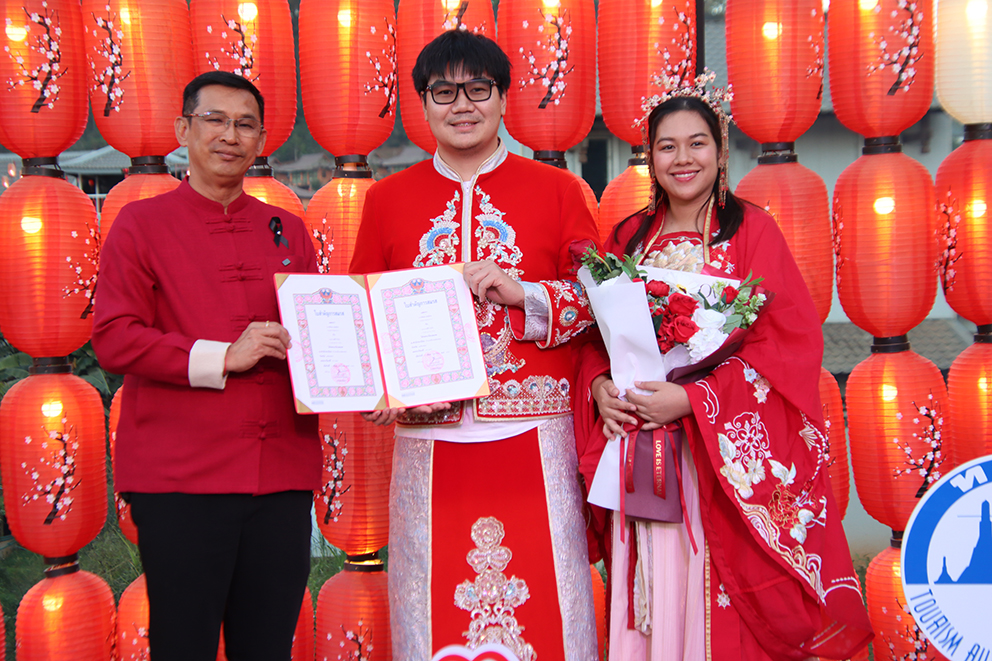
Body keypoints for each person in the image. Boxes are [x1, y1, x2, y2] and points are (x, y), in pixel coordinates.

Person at [573, 76, 874, 660]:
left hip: (716, 455)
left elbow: (787, 346)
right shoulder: (627, 238)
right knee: (652, 590)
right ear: (650, 155)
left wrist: (692, 400)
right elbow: (593, 337)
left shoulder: (754, 233)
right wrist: (601, 387)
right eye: (667, 146)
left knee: (712, 597)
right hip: (640, 449)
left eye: (697, 143)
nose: (682, 159)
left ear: (721, 150)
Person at [350, 30, 599, 661]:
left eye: (478, 89)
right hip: (428, 442)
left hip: (535, 440)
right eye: (444, 92)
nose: (462, 105)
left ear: (504, 98)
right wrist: (376, 385)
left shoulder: (559, 191)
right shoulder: (385, 201)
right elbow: (361, 316)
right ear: (423, 104)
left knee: (548, 615)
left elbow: (599, 305)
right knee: (432, 613)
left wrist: (524, 294)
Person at [92, 71, 319, 661]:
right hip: (181, 478)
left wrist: (372, 381)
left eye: (246, 125)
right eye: (214, 120)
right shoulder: (139, 225)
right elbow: (114, 338)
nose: (230, 136)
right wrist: (223, 355)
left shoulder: (289, 230)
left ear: (261, 139)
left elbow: (318, 336)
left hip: (282, 475)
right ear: (182, 129)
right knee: (183, 644)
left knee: (267, 645)